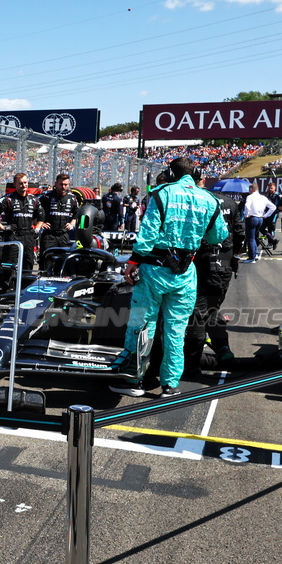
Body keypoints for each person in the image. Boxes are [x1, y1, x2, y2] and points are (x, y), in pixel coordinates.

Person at [111, 157, 228, 398]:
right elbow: (219, 236)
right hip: (185, 273)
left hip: (154, 269)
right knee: (176, 331)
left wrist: (133, 261)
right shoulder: (208, 198)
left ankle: (134, 379)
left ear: (170, 173)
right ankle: (170, 385)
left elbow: (148, 232)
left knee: (142, 325)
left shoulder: (161, 193)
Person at [184, 167, 244, 373]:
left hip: (200, 264)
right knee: (212, 309)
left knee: (198, 314)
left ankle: (191, 364)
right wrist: (233, 258)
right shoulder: (229, 202)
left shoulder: (196, 201)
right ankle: (222, 348)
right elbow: (239, 234)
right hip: (224, 267)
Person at [0, 172, 44, 279]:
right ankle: (7, 288)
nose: (24, 185)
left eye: (25, 183)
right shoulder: (7, 199)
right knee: (9, 264)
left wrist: (37, 229)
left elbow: (41, 217)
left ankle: (24, 288)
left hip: (28, 236)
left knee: (28, 263)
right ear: (15, 184)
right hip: (13, 235)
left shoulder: (34, 199)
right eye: (21, 183)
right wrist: (3, 228)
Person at [38, 173, 80, 269]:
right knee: (46, 262)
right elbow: (33, 209)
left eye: (65, 184)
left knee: (64, 263)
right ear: (56, 184)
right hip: (49, 235)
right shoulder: (46, 197)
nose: (63, 187)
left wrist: (72, 224)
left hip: (63, 235)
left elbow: (77, 213)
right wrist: (40, 223)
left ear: (69, 184)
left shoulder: (72, 198)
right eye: (61, 184)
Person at [240, 183, 276, 263]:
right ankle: (255, 254)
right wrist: (265, 215)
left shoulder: (250, 197)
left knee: (250, 238)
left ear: (252, 189)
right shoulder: (263, 197)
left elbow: (247, 206)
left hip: (252, 218)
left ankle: (252, 257)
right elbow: (273, 207)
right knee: (254, 237)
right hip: (260, 218)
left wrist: (246, 214)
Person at [262, 181, 281, 248]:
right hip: (267, 213)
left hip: (274, 214)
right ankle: (272, 240)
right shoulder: (267, 195)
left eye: (271, 188)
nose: (270, 189)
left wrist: (279, 209)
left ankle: (270, 243)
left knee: (271, 227)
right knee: (261, 227)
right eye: (269, 188)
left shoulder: (278, 195)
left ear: (275, 188)